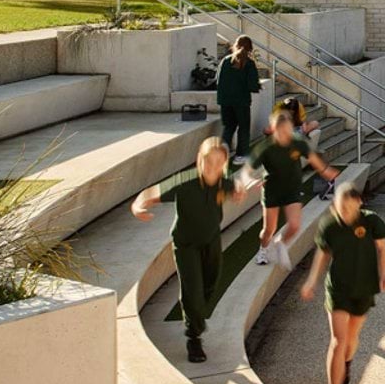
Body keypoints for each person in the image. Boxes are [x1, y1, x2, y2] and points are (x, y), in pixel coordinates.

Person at [129, 136, 257, 363]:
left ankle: (195, 317)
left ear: (225, 164)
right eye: (208, 162)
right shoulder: (185, 182)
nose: (213, 168)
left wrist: (239, 191)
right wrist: (138, 206)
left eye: (219, 163)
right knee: (193, 291)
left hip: (211, 241)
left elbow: (236, 189)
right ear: (200, 160)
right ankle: (194, 336)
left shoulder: (223, 183)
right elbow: (149, 194)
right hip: (186, 244)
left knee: (210, 285)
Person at [299, 185, 385, 384]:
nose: (345, 215)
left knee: (351, 338)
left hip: (364, 287)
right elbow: (322, 254)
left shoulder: (372, 222)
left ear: (359, 203)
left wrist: (383, 274)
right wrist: (311, 281)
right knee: (338, 341)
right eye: (340, 210)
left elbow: (382, 248)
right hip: (338, 289)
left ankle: (346, 364)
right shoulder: (329, 226)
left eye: (349, 209)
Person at [250, 109, 339, 267]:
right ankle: (263, 249)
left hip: (292, 188)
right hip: (272, 189)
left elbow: (312, 157)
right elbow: (248, 169)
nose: (285, 135)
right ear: (274, 130)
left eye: (287, 130)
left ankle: (281, 243)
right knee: (269, 229)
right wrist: (249, 180)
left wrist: (325, 171)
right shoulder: (266, 147)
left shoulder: (297, 142)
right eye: (281, 131)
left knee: (295, 225)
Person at [216, 35, 261, 164]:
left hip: (225, 101)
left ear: (235, 46)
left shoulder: (225, 61)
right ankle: (241, 155)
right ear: (250, 49)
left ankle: (222, 154)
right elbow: (252, 85)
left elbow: (218, 81)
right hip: (241, 102)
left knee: (228, 127)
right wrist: (258, 86)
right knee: (243, 127)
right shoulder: (249, 64)